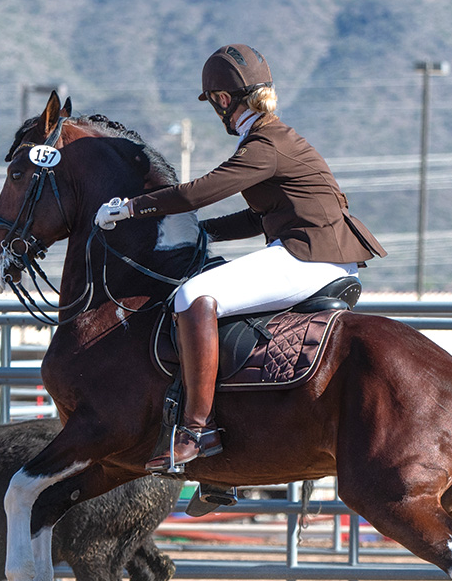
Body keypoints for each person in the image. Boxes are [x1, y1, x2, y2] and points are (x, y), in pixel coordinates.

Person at [94, 43, 386, 472]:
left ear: (222, 99)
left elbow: (198, 192)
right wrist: (202, 231)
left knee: (193, 296)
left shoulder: (265, 144)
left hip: (309, 256)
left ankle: (197, 430)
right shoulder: (274, 137)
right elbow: (259, 215)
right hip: (320, 253)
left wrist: (131, 208)